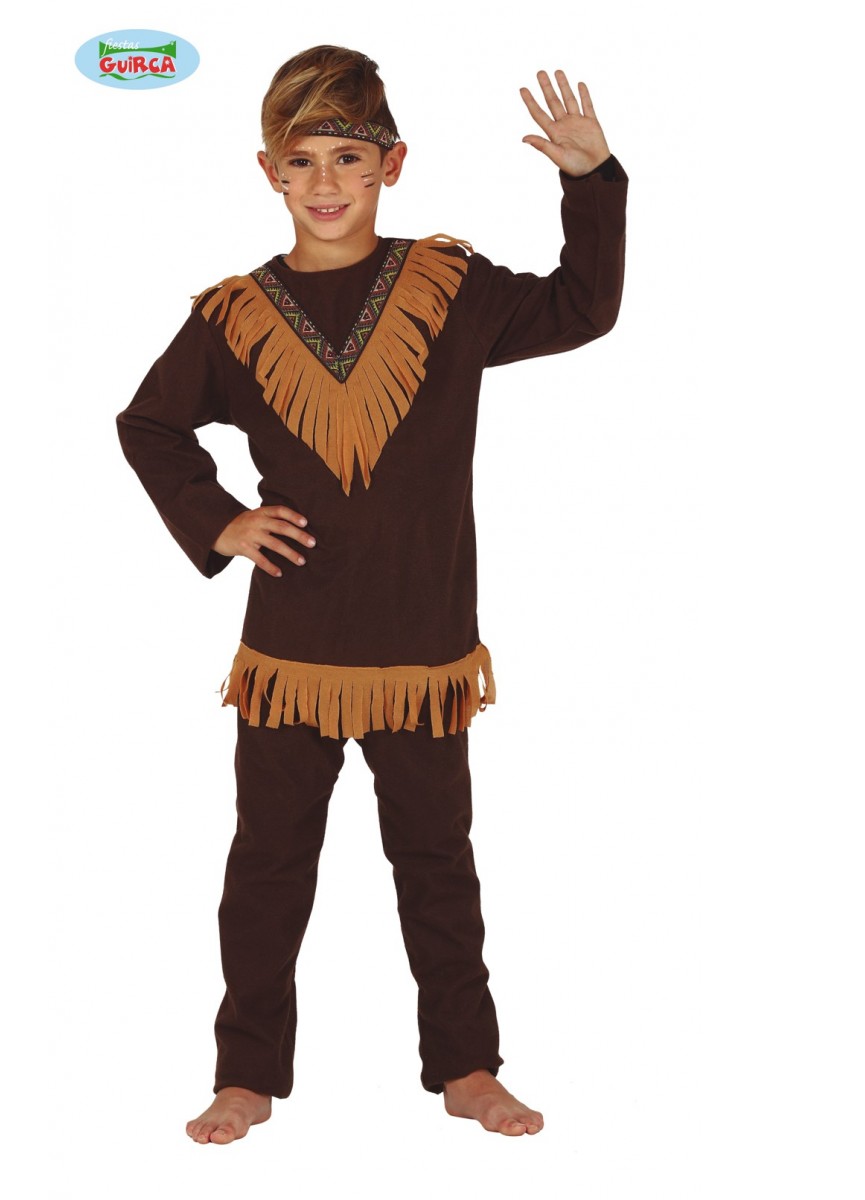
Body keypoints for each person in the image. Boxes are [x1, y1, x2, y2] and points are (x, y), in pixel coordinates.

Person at [116, 44, 628, 1144]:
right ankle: (246, 1075)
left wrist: (592, 181)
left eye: (349, 157)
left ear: (393, 164)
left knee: (438, 867)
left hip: (422, 649)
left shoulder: (449, 290)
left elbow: (583, 307)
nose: (327, 182)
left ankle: (469, 1069)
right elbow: (148, 423)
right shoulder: (235, 315)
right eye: (302, 160)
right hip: (291, 652)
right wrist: (219, 520)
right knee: (267, 869)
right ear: (269, 172)